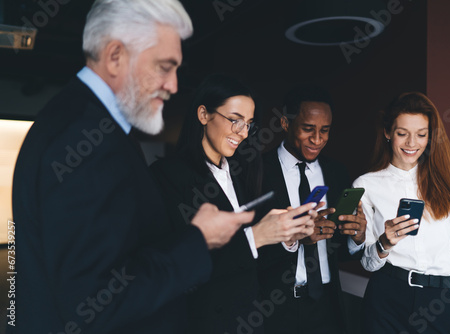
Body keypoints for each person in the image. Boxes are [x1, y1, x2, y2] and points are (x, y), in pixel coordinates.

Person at [10, 1, 255, 333]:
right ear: (115, 56)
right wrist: (199, 239)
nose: (173, 85)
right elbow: (94, 303)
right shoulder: (85, 139)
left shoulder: (80, 122)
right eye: (164, 67)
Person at [150, 74, 317, 333]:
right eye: (234, 120)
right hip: (202, 322)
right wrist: (255, 237)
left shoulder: (242, 174)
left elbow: (253, 261)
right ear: (204, 115)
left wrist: (286, 235)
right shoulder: (168, 175)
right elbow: (177, 263)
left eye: (248, 123)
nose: (242, 132)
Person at [353, 92, 450, 334]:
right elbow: (367, 263)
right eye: (402, 133)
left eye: (421, 134)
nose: (412, 143)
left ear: (430, 137)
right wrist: (384, 243)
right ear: (388, 132)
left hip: (439, 301)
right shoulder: (365, 186)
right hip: (386, 299)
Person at [257, 85, 367, 334]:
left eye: (325, 130)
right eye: (308, 129)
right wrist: (294, 239)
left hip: (328, 306)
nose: (317, 139)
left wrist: (357, 236)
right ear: (285, 123)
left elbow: (341, 249)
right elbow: (245, 252)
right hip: (275, 309)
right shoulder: (257, 172)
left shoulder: (337, 172)